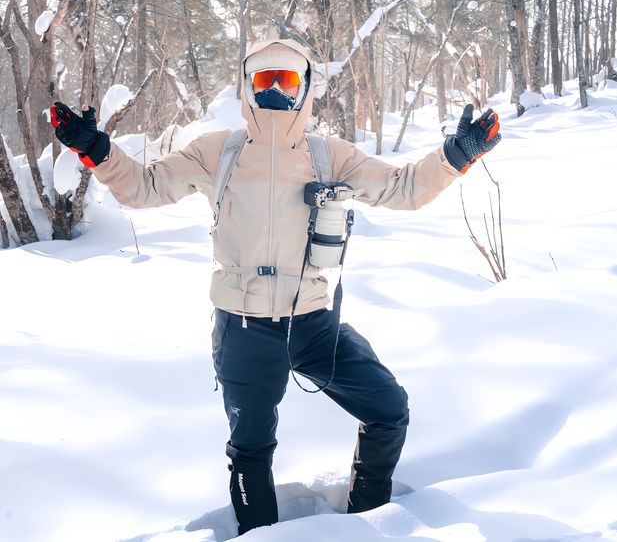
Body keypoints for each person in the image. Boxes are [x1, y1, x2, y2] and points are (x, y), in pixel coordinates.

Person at [51, 37, 501, 536]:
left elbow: (404, 188)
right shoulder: (217, 152)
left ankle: (368, 522)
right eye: (264, 80)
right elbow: (142, 186)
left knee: (388, 409)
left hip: (314, 323)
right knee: (251, 451)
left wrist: (457, 155)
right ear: (247, 86)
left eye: (287, 81)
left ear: (304, 88)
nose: (274, 92)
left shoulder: (328, 154)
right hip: (244, 330)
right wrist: (96, 148)